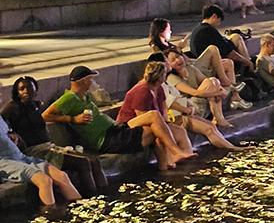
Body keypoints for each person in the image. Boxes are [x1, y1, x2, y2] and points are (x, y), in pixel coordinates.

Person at [43, 66, 194, 170]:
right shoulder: (69, 98)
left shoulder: (85, 96)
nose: (94, 82)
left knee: (156, 123)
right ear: (84, 81)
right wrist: (73, 119)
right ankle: (175, 153)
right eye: (91, 79)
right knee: (154, 123)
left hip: (115, 129)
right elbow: (45, 115)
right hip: (107, 139)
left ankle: (166, 167)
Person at [2, 76, 107, 195]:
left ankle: (104, 194)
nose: (26, 91)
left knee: (94, 160)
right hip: (35, 151)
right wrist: (11, 133)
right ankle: (91, 196)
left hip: (49, 147)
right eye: (22, 89)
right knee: (83, 163)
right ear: (16, 92)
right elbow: (2, 123)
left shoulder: (35, 106)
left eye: (30, 88)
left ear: (35, 90)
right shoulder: (12, 108)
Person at [147, 55, 246, 151]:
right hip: (178, 116)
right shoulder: (162, 84)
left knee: (211, 126)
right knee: (209, 129)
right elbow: (169, 102)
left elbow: (178, 99)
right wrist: (186, 110)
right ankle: (233, 148)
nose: (169, 62)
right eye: (167, 60)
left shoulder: (166, 82)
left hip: (185, 110)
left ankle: (231, 145)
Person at [0, 113, 81, 206]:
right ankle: (51, 212)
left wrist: (13, 136)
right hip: (4, 162)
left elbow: (7, 132)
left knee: (62, 176)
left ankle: (81, 209)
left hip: (20, 156)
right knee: (44, 180)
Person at [164, 48, 234, 127]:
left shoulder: (190, 68)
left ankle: (218, 118)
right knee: (212, 83)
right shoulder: (171, 77)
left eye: (178, 56)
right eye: (173, 60)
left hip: (202, 100)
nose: (178, 60)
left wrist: (218, 89)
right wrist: (217, 92)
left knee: (213, 80)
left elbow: (208, 82)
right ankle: (219, 118)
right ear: (169, 65)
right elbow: (194, 93)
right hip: (191, 106)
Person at [188, 6, 254, 72]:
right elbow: (229, 53)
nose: (218, 24)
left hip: (202, 57)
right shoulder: (209, 30)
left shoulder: (198, 28)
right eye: (219, 21)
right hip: (210, 62)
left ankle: (249, 63)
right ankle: (249, 67)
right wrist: (246, 61)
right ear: (214, 16)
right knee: (238, 50)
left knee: (236, 37)